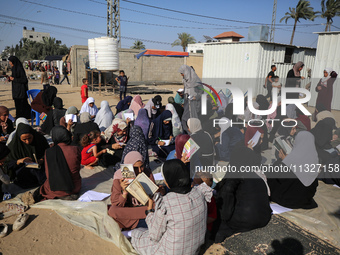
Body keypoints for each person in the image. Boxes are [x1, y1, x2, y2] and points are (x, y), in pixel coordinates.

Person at [131, 159, 212, 255]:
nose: (164, 181)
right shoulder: (200, 193)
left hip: (170, 252)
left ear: (169, 180)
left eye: (165, 178)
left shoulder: (166, 203)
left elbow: (154, 236)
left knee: (136, 234)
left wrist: (149, 211)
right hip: (194, 250)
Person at [215, 141, 272, 242]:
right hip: (263, 218)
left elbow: (225, 211)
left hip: (244, 221)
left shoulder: (234, 176)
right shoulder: (257, 175)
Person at [268, 131, 319, 209]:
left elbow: (276, 176)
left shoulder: (292, 158)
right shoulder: (314, 157)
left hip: (287, 200)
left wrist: (282, 161)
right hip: (305, 199)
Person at [108, 151, 155, 229]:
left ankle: (133, 225)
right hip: (131, 210)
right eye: (136, 168)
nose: (140, 171)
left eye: (142, 166)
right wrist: (124, 192)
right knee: (112, 211)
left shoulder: (146, 172)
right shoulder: (118, 177)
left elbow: (154, 197)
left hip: (147, 208)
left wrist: (160, 191)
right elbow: (116, 204)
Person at [37, 126, 81, 200]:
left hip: (56, 189)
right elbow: (77, 168)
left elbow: (48, 174)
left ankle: (62, 194)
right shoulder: (75, 149)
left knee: (44, 186)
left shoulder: (49, 151)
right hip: (75, 187)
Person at [6, 123, 49, 188]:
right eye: (24, 139)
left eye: (29, 138)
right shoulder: (13, 146)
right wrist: (19, 161)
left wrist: (42, 159)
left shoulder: (40, 140)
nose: (28, 142)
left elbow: (48, 152)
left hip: (40, 168)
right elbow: (7, 164)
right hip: (23, 171)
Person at [178, 65, 204, 133]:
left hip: (194, 104)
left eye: (182, 73)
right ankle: (187, 133)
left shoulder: (196, 81)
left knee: (193, 121)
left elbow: (201, 92)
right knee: (184, 119)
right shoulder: (185, 81)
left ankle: (193, 135)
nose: (182, 75)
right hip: (187, 104)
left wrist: (196, 97)